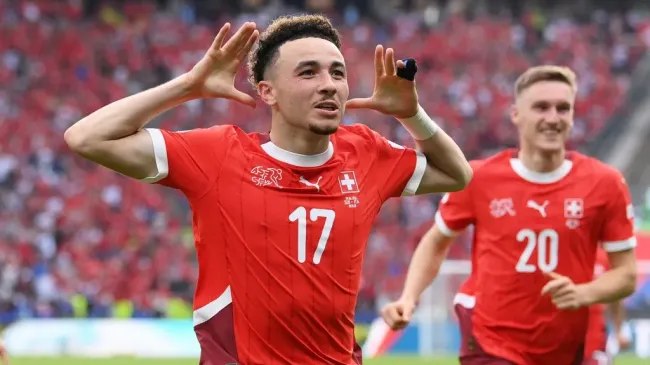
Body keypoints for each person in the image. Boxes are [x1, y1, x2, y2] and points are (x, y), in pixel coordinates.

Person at [64, 15, 472, 364]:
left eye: (338, 72)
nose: (329, 84)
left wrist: (411, 114)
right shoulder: (220, 154)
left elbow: (457, 175)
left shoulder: (365, 152)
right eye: (308, 72)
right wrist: (189, 85)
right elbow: (87, 138)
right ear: (267, 92)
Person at [380, 65, 637, 365]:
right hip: (491, 340)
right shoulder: (478, 177)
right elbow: (437, 241)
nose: (553, 118)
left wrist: (584, 293)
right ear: (516, 114)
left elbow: (627, 275)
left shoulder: (605, 183)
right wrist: (409, 297)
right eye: (541, 107)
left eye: (563, 108)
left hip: (565, 342)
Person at [584, 249, 631, 365]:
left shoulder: (605, 257)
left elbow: (616, 296)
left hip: (596, 339)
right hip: (565, 339)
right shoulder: (564, 253)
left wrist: (619, 330)